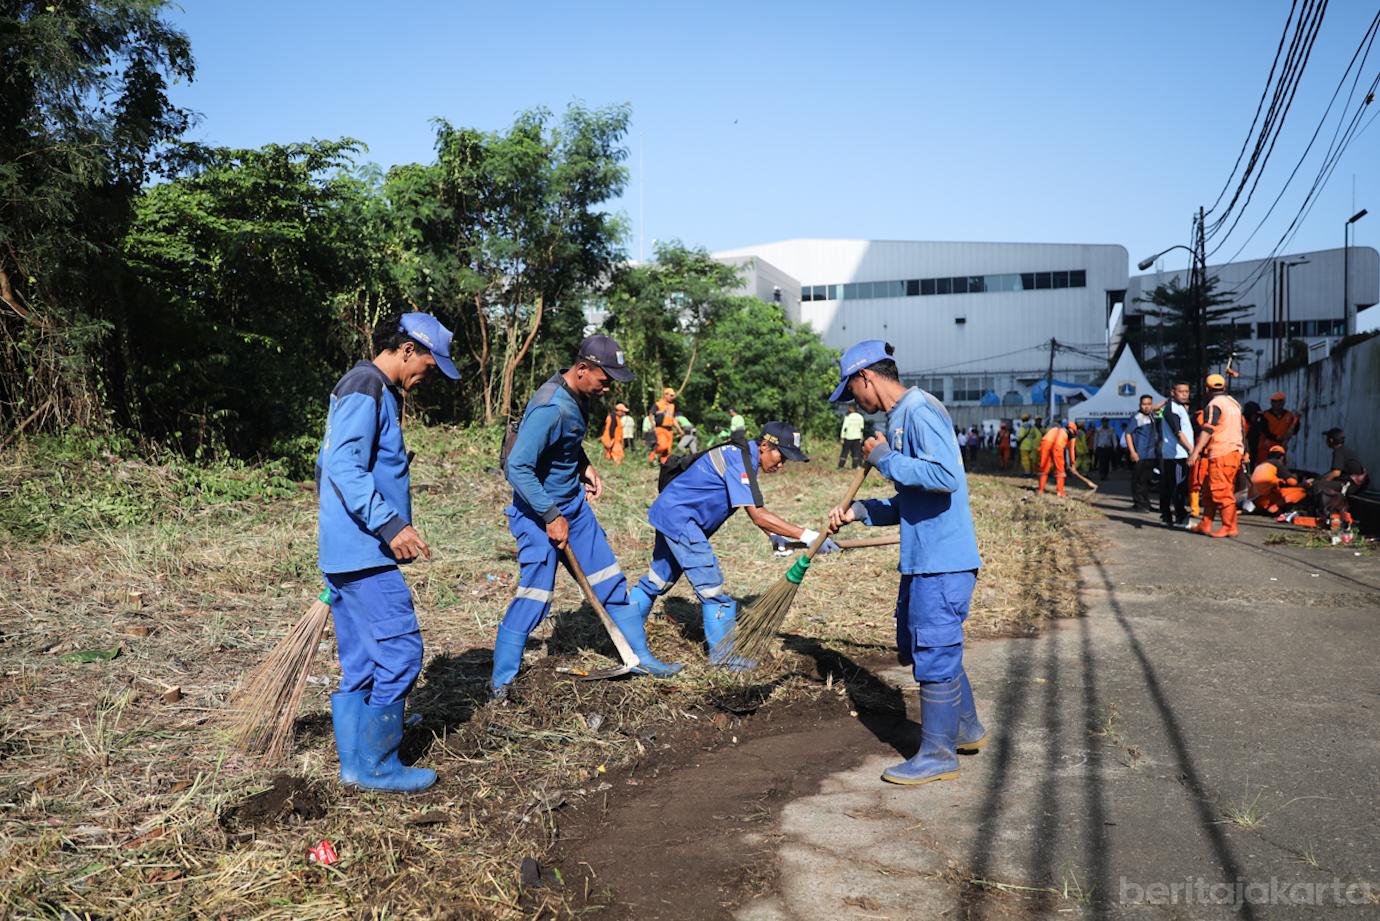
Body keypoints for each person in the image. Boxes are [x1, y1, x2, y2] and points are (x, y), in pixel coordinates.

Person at [823, 341, 984, 787]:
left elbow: (944, 478)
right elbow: (913, 499)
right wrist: (862, 512)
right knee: (921, 646)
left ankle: (937, 754)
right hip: (923, 559)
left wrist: (884, 459)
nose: (856, 403)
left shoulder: (919, 411)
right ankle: (965, 729)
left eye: (853, 393)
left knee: (933, 650)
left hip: (943, 562)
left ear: (866, 378)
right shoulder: (901, 419)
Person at [317, 311, 460, 793]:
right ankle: (378, 765)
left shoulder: (365, 386)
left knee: (361, 662)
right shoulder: (367, 386)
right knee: (400, 652)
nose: (429, 374)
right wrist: (389, 522)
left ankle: (355, 766)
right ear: (406, 350)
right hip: (365, 551)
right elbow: (342, 466)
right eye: (428, 364)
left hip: (348, 552)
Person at [491, 336, 681, 698]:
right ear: (581, 369)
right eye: (604, 379)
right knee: (536, 596)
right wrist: (550, 515)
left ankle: (640, 658)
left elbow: (565, 444)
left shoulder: (580, 396)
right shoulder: (550, 407)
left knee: (608, 580)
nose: (607, 387)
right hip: (537, 514)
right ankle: (502, 683)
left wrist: (585, 466)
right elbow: (517, 466)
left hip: (574, 510)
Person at [630, 421, 834, 667]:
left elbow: (749, 507)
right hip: (683, 521)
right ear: (764, 446)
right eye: (781, 456)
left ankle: (626, 636)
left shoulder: (742, 455)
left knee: (657, 580)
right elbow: (757, 513)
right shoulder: (740, 462)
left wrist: (773, 535)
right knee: (712, 587)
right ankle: (724, 659)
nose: (781, 464)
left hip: (669, 513)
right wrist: (807, 535)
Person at [1186, 374, 1244, 538]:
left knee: (1221, 491)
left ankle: (1229, 526)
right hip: (1234, 452)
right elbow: (1242, 429)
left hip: (1221, 452)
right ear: (1223, 387)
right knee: (1209, 490)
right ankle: (1206, 523)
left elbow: (1208, 429)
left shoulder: (1214, 405)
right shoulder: (1234, 403)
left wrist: (1195, 452)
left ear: (1207, 389)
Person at [1302, 428, 1369, 532]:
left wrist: (1317, 482)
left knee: (1317, 487)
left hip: (1351, 485)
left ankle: (1324, 515)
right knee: (1319, 484)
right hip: (1352, 483)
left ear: (1331, 440)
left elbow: (1335, 473)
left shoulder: (1339, 451)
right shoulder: (1344, 451)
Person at [1156, 382, 1194, 527]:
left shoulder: (1179, 408)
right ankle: (1180, 517)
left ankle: (1166, 515)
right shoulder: (1172, 409)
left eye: (1187, 391)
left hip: (1175, 454)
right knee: (1179, 487)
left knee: (1168, 486)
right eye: (1181, 391)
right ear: (1173, 392)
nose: (1184, 394)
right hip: (1177, 455)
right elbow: (1178, 433)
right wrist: (1191, 450)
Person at [1248, 445, 1304, 515]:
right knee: (1301, 491)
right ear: (1282, 457)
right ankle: (1275, 508)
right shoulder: (1277, 464)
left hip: (1255, 501)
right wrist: (1304, 483)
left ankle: (1267, 508)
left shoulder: (1261, 464)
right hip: (1266, 499)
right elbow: (1293, 482)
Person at [1038, 420, 1077, 497]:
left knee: (1043, 468)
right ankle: (1060, 492)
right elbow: (1071, 450)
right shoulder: (1072, 436)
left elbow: (1044, 438)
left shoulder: (1054, 429)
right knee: (1060, 470)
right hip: (1057, 446)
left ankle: (1040, 490)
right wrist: (1073, 464)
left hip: (1045, 444)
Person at [648, 387, 681, 465]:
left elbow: (672, 418)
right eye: (671, 395)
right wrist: (653, 424)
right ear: (665, 395)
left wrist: (679, 429)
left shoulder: (672, 406)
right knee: (662, 446)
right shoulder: (658, 404)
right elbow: (651, 414)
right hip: (660, 428)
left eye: (673, 396)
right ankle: (653, 454)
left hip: (670, 430)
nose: (672, 397)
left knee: (667, 450)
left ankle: (663, 465)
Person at [838, 403, 865, 469]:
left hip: (848, 436)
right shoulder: (860, 417)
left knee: (845, 452)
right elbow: (861, 429)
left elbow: (844, 428)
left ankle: (841, 465)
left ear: (851, 408)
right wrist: (861, 437)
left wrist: (842, 437)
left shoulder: (848, 417)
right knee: (856, 452)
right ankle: (855, 466)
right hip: (857, 437)